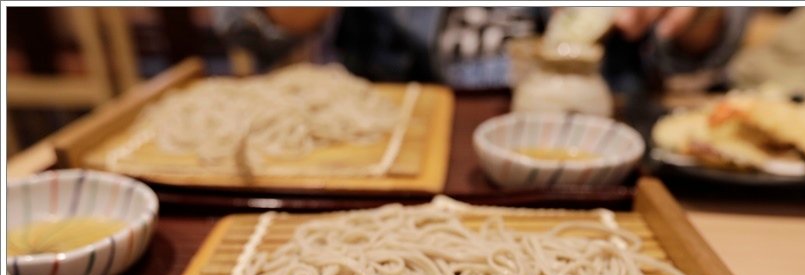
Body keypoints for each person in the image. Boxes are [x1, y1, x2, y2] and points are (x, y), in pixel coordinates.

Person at [212, 7, 749, 92]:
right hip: (381, 155)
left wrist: (697, 16)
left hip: (602, 158)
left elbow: (711, 40)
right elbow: (236, 24)